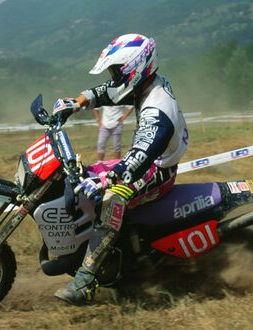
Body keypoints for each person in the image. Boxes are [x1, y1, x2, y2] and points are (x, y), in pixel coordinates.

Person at [52, 33, 189, 305]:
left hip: (157, 169)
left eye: (117, 71)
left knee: (111, 199)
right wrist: (75, 103)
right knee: (82, 173)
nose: (115, 78)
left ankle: (86, 279)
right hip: (145, 159)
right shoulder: (145, 85)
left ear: (136, 68)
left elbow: (141, 156)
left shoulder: (157, 108)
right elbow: (106, 92)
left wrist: (108, 180)